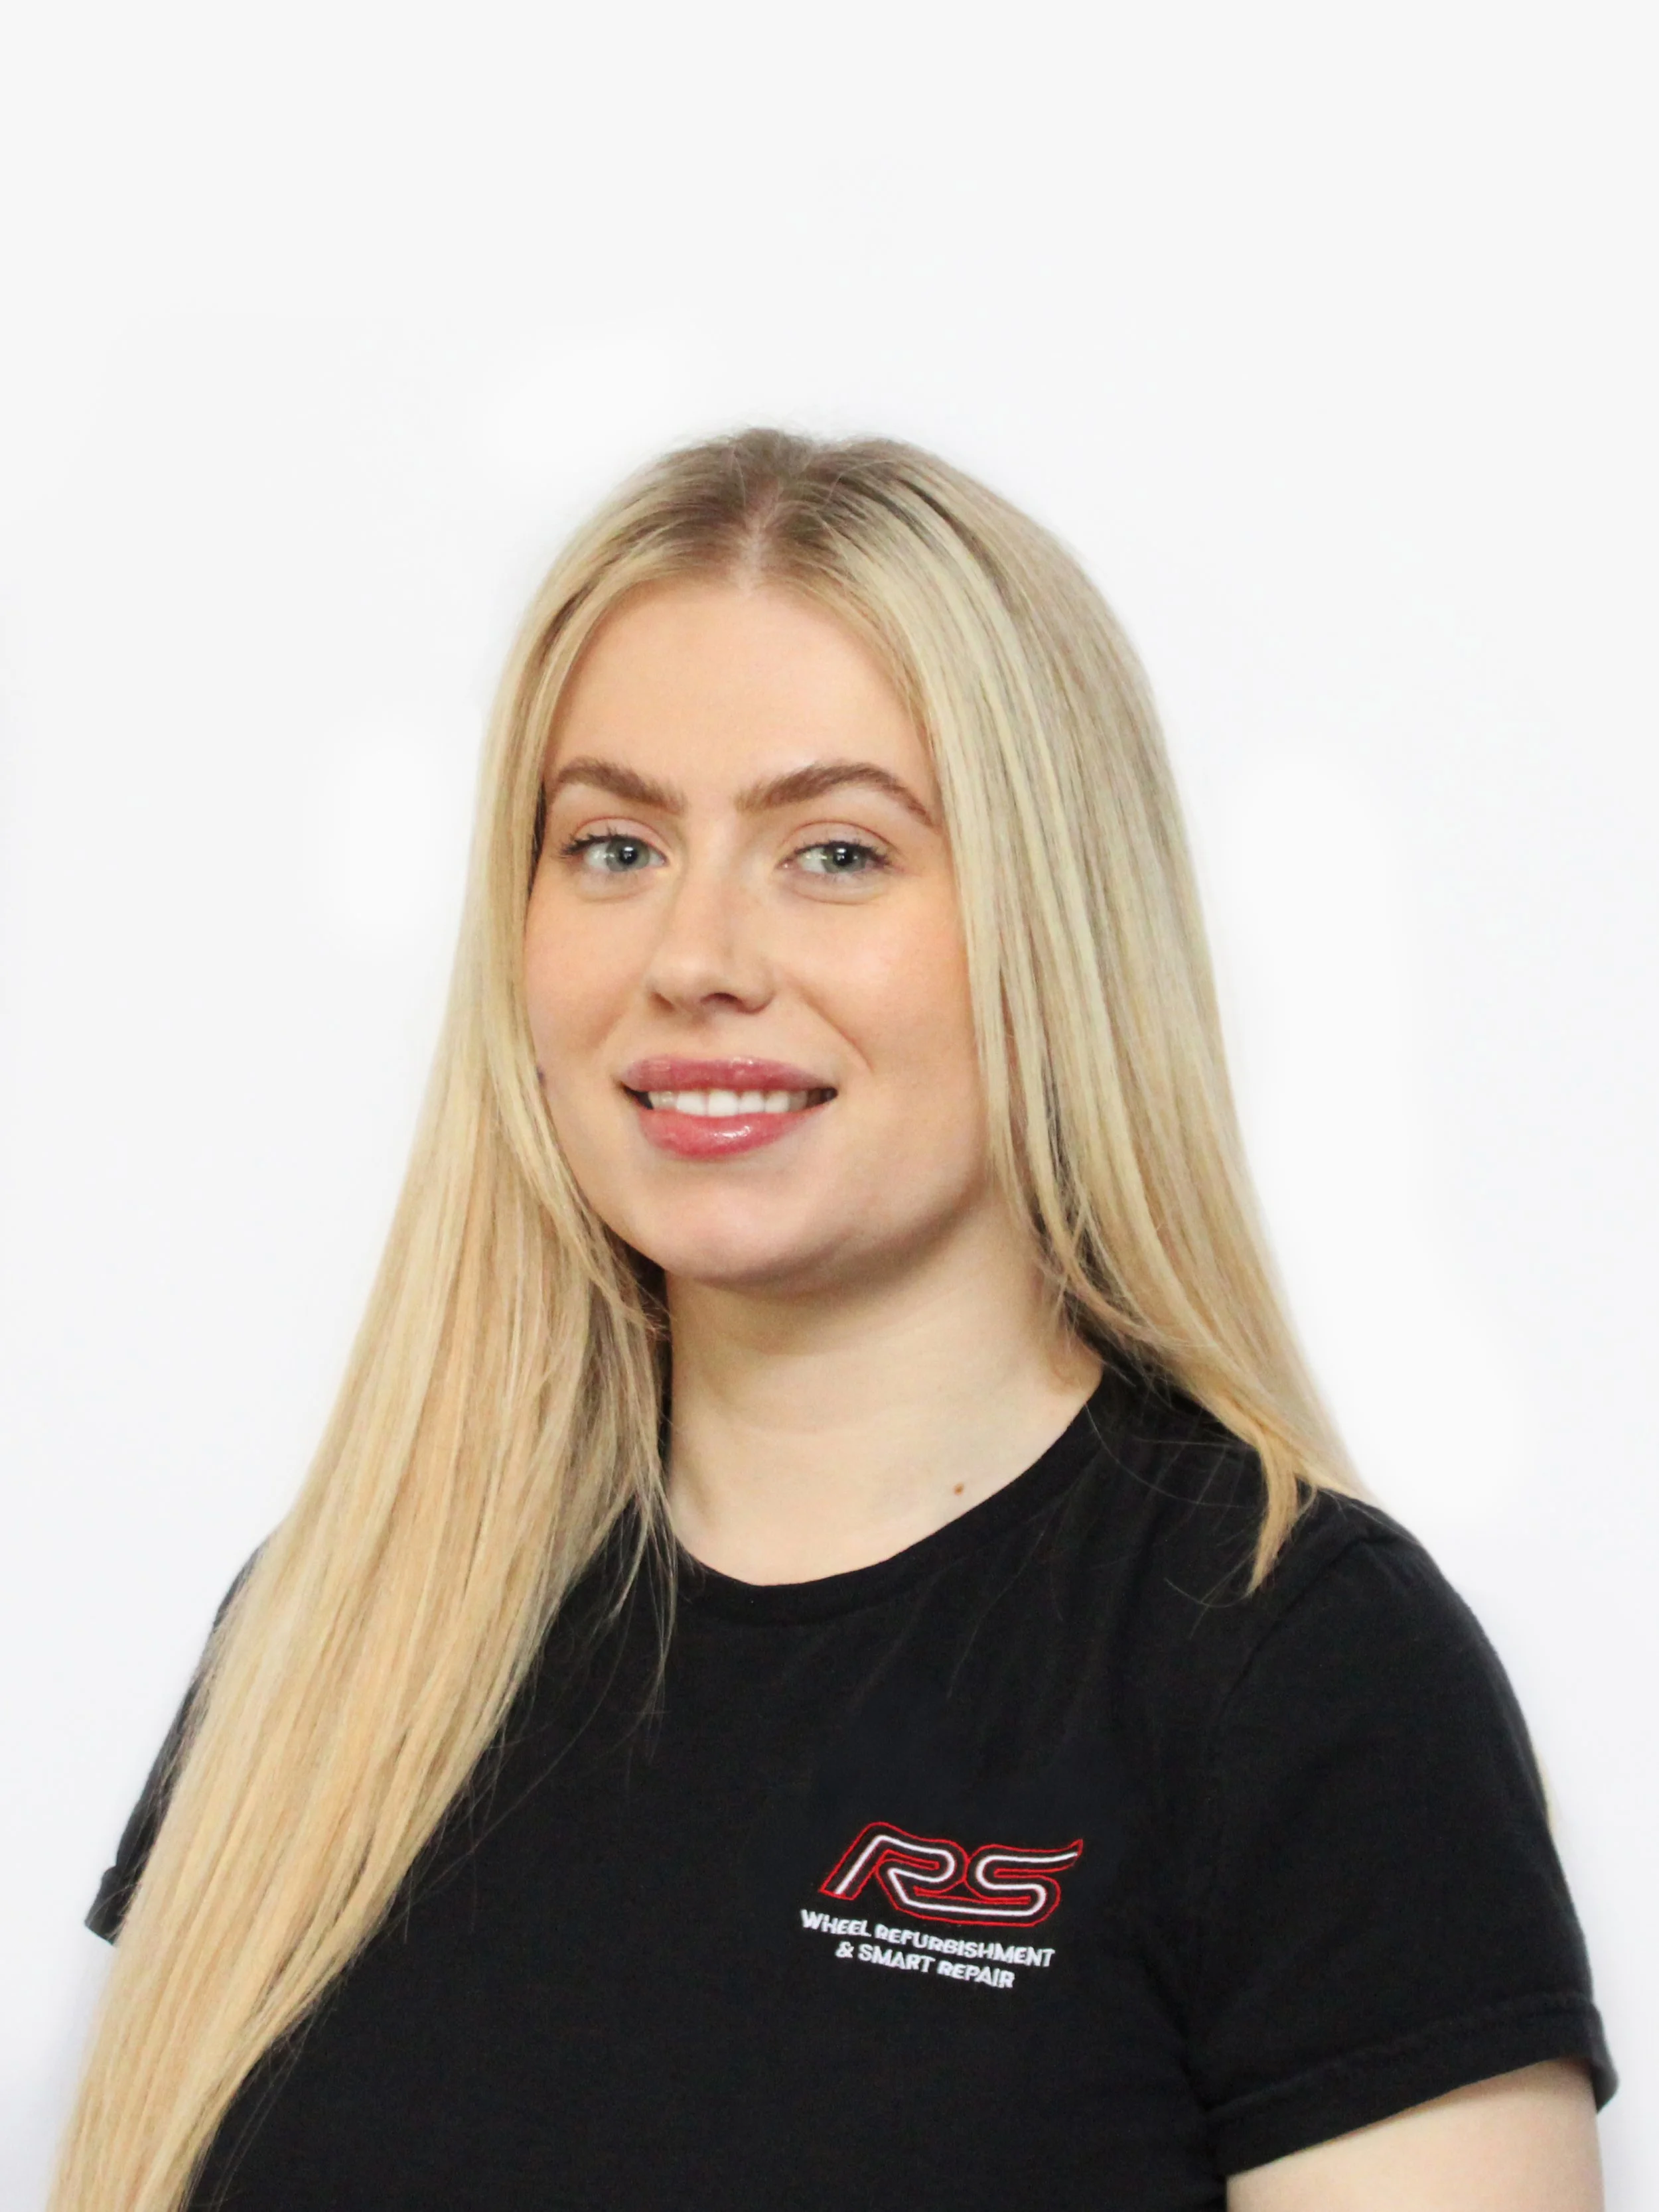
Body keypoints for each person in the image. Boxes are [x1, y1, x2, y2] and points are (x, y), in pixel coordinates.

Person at [54, 430, 1613, 2212]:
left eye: (839, 851)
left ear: (1051, 926)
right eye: (616, 842)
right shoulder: (339, 1625)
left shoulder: (1292, 1671)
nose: (696, 949)